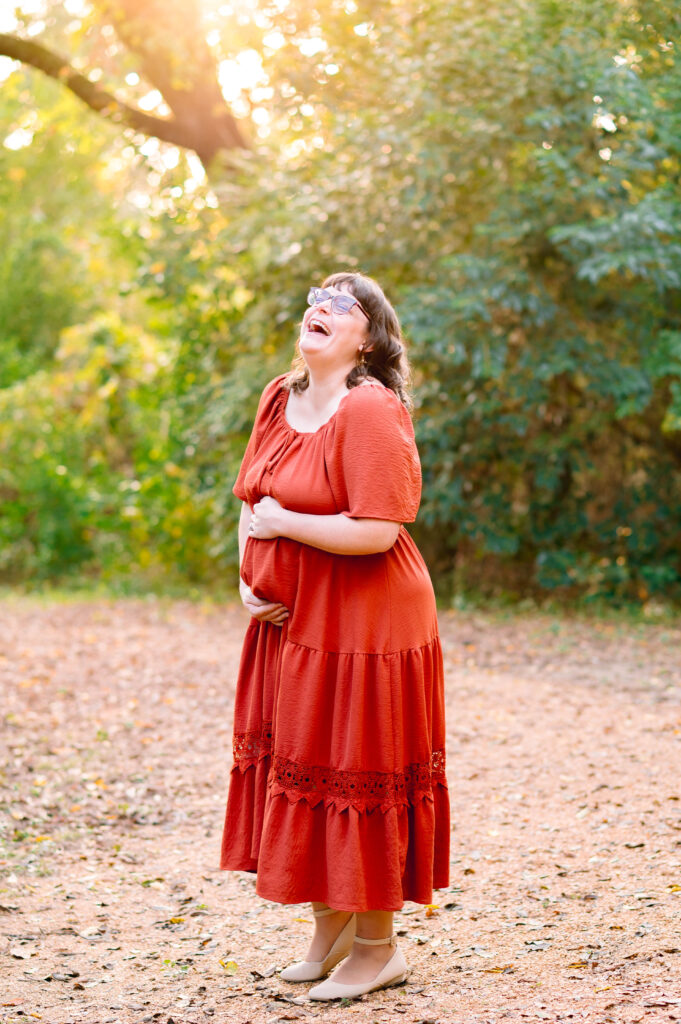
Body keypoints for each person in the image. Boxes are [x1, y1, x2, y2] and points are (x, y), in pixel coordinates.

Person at [219, 271, 449, 1000]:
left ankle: (378, 949)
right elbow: (251, 499)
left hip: (366, 623)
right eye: (315, 300)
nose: (320, 308)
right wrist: (247, 583)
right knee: (304, 760)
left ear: (369, 339)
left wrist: (284, 527)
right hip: (293, 626)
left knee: (358, 766)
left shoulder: (371, 408)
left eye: (342, 305)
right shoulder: (277, 396)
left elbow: (378, 530)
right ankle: (330, 931)